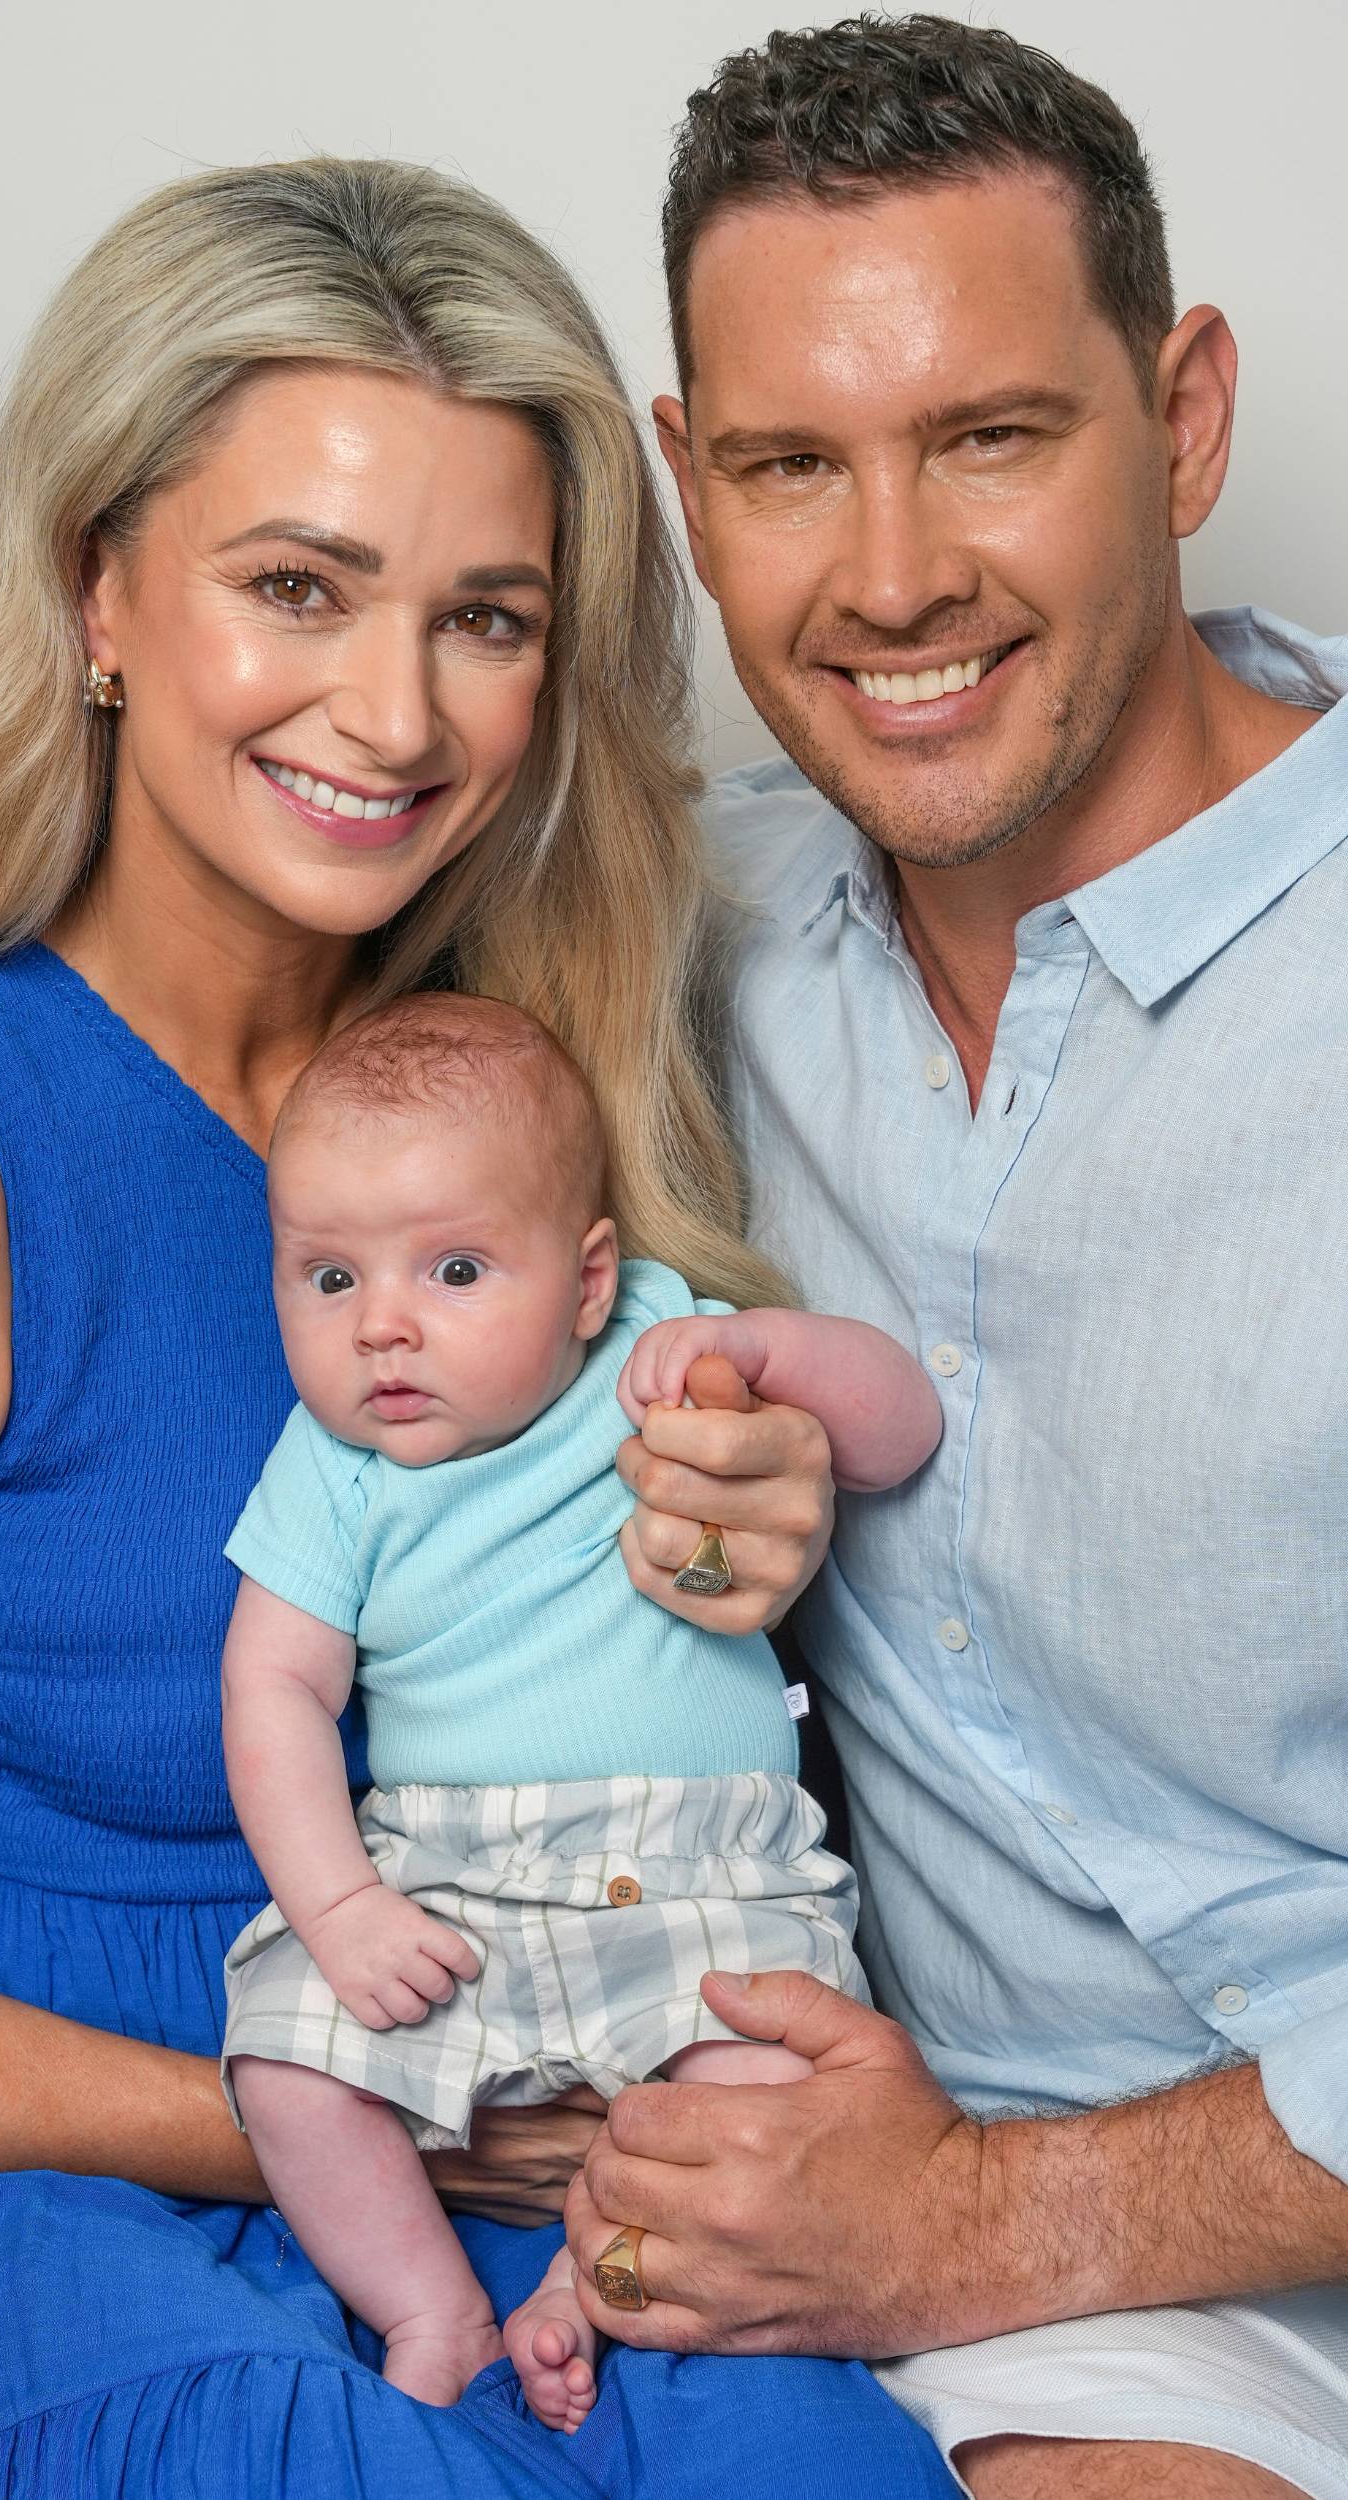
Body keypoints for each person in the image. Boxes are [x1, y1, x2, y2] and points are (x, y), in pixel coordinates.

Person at [0, 158, 957, 2500]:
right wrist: (357, 2125)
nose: (395, 707)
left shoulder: (521, 1108)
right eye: (298, 586)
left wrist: (741, 1534)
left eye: (487, 616)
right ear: (97, 592)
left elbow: (642, 1704)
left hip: (492, 2112)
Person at [555, 18, 1348, 2500]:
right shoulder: (662, 939)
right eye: (791, 465)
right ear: (689, 486)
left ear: (1186, 418)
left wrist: (979, 2220)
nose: (892, 573)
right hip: (1105, 2300)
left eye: (992, 435)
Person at [214, 989, 941, 2427]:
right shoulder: (333, 1469)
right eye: (330, 1278)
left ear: (590, 1282)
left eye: (455, 1269)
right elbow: (273, 1687)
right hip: (446, 1878)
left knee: (761, 2094)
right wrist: (342, 1911)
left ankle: (583, 2282)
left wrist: (780, 1359)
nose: (384, 1329)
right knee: (284, 2069)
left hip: (700, 1872)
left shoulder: (661, 1350)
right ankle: (432, 2309)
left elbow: (901, 1429)